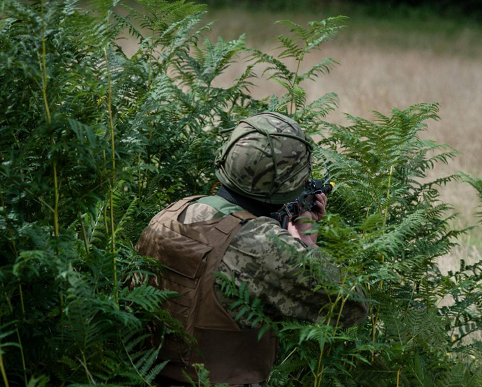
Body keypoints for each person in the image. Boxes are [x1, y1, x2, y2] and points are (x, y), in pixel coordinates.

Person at [136, 112, 368, 386]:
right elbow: (352, 306)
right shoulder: (262, 243)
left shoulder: (173, 213)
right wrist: (306, 243)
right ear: (288, 183)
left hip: (142, 375)